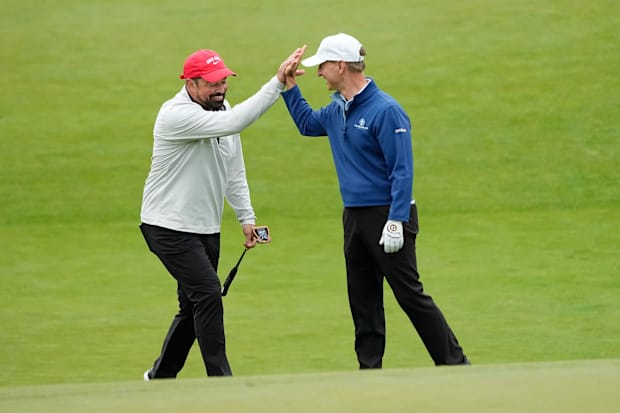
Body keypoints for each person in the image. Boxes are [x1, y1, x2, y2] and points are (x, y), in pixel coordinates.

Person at [281, 33, 469, 368]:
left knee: (410, 295)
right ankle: (369, 369)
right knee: (362, 298)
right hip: (354, 217)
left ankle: (455, 364)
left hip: (388, 215)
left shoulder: (387, 110)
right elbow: (308, 125)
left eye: (323, 65)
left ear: (341, 65)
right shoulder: (337, 108)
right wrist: (290, 87)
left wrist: (396, 220)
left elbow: (402, 171)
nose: (320, 72)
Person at [140, 46, 305, 379]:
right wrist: (277, 84)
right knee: (208, 294)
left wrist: (246, 218)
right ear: (191, 84)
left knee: (194, 305)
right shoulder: (175, 114)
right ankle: (221, 380)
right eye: (212, 83)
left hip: (204, 227)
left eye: (224, 81)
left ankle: (160, 376)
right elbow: (236, 121)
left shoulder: (221, 107)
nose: (221, 88)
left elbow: (234, 169)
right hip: (167, 226)